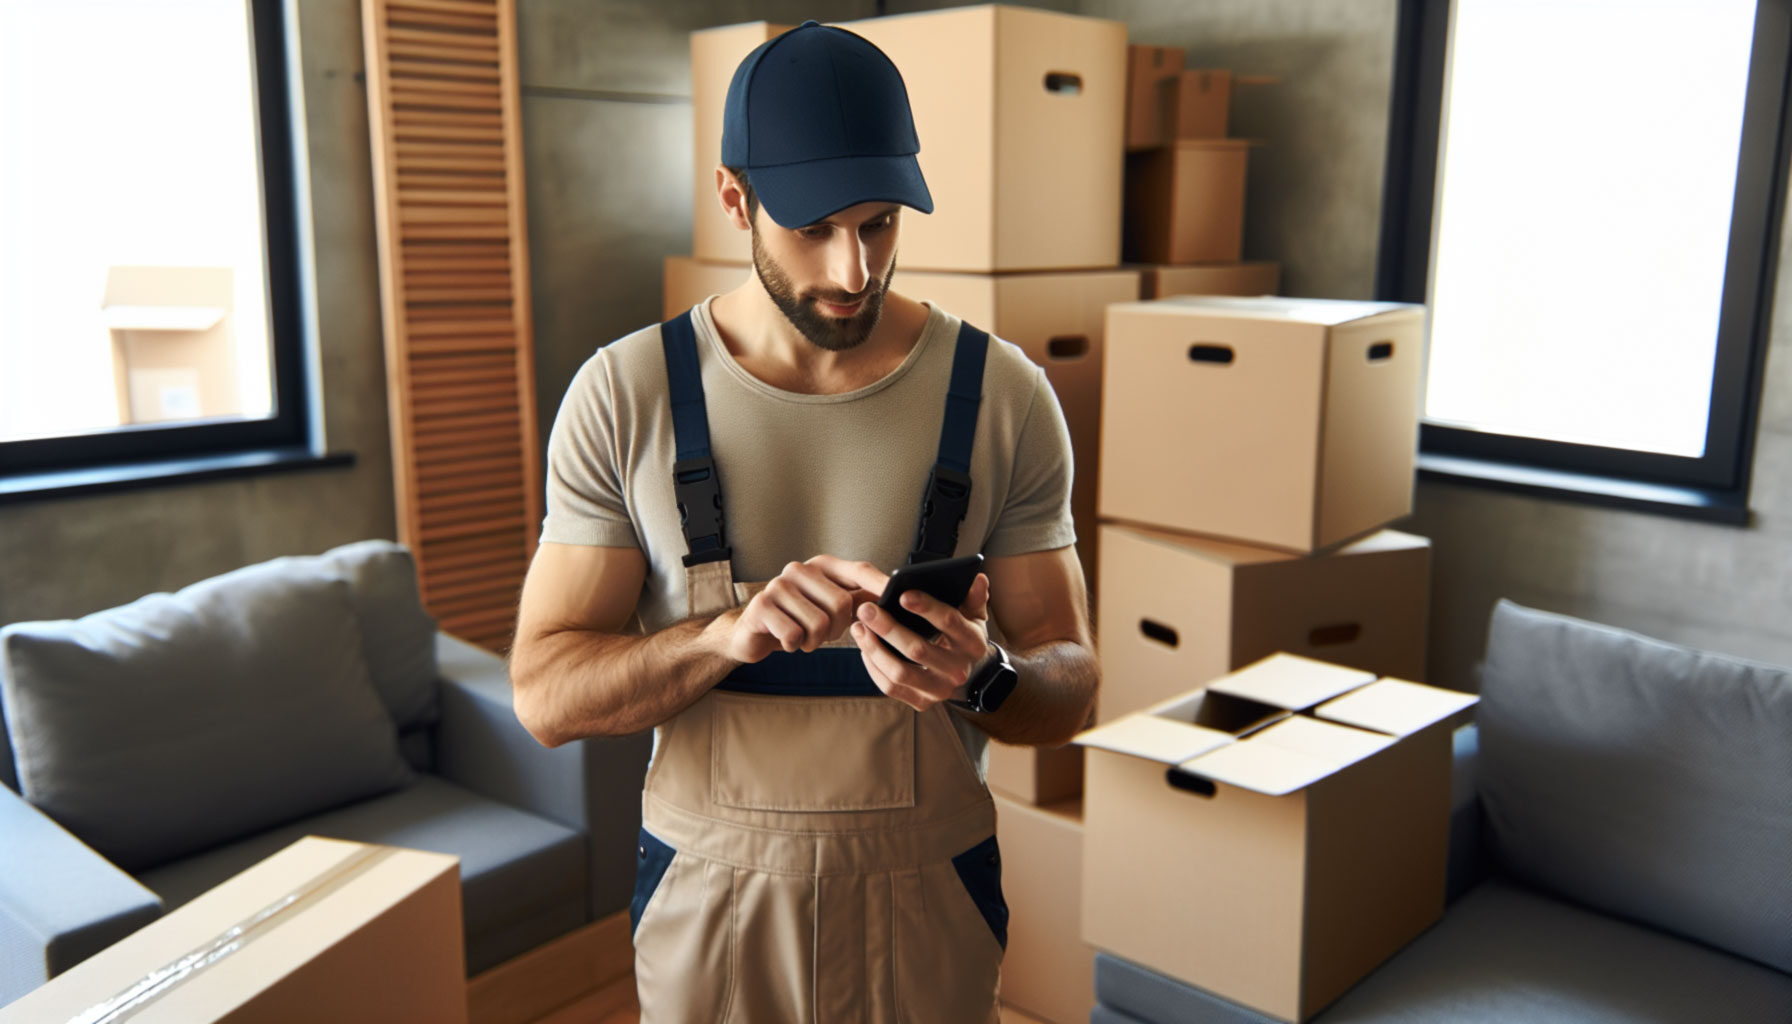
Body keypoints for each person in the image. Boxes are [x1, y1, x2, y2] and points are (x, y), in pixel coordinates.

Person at [509, 20, 1098, 1023]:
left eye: (878, 223)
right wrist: (720, 638)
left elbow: (1070, 678)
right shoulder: (625, 394)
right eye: (813, 228)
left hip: (930, 890)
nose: (853, 269)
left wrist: (986, 676)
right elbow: (546, 696)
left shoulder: (1003, 395)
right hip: (708, 894)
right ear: (734, 197)